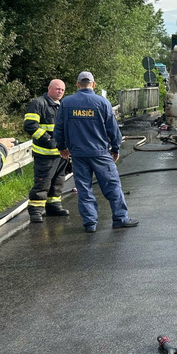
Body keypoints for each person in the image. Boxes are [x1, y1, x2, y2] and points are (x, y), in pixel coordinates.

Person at [54, 71, 139, 233]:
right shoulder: (102, 103)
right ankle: (120, 218)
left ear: (78, 84)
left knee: (84, 188)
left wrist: (62, 147)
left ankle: (90, 223)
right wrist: (115, 149)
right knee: (112, 186)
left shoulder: (67, 103)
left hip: (78, 154)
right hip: (100, 153)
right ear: (93, 84)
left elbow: (59, 128)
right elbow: (113, 130)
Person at [23, 78, 71, 223]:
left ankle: (53, 205)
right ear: (49, 88)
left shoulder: (62, 105)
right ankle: (36, 210)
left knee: (58, 182)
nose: (60, 92)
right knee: (42, 182)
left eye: (62, 90)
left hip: (61, 154)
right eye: (57, 89)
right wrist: (49, 140)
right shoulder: (38, 103)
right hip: (45, 154)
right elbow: (30, 125)